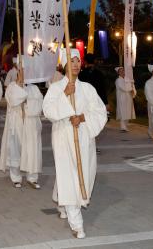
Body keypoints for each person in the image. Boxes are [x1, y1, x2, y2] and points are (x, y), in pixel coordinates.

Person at [43, 48, 107, 239]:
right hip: (64, 138)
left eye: (78, 61)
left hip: (84, 139)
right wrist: (64, 94)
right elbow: (48, 111)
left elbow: (100, 112)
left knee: (83, 174)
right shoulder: (55, 88)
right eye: (72, 61)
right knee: (70, 176)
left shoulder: (88, 88)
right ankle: (76, 223)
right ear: (64, 65)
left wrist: (82, 117)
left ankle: (61, 200)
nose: (76, 64)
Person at [0, 59, 43, 188]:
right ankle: (16, 176)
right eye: (21, 71)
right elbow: (13, 101)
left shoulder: (34, 88)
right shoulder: (12, 87)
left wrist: (28, 106)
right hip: (17, 123)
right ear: (18, 72)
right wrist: (20, 89)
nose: (24, 73)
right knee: (15, 149)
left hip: (30, 124)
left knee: (31, 149)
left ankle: (32, 177)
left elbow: (39, 106)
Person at [114, 66, 136, 132]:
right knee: (123, 112)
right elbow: (123, 88)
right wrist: (130, 89)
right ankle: (123, 127)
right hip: (122, 98)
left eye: (123, 70)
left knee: (128, 112)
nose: (122, 72)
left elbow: (133, 87)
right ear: (118, 73)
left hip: (129, 97)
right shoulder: (118, 80)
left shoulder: (129, 79)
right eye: (120, 71)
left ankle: (125, 126)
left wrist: (134, 91)